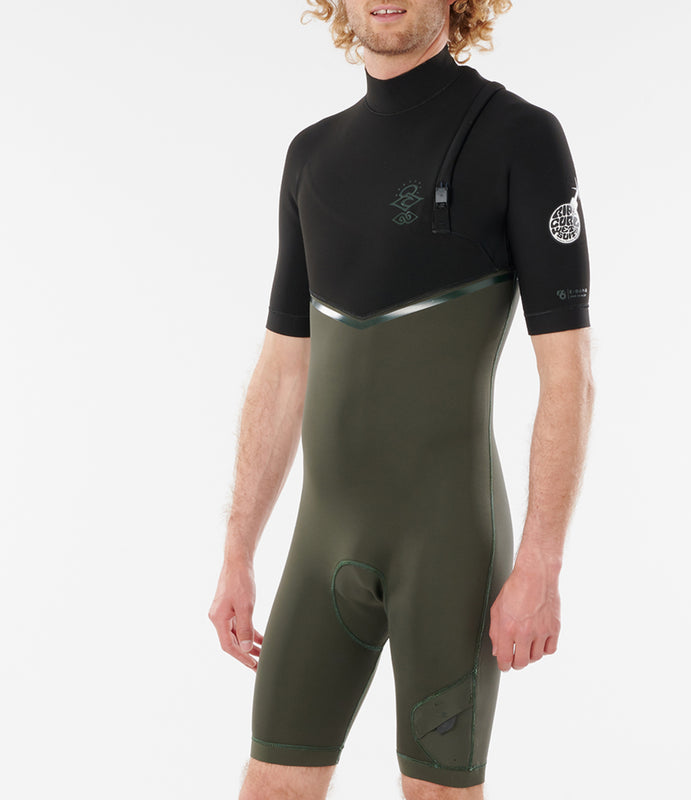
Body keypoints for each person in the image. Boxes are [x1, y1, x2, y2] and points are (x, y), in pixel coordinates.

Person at [208, 2, 594, 798]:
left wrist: (542, 562)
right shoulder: (312, 157)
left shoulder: (519, 138)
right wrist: (237, 552)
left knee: (437, 793)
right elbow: (283, 368)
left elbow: (570, 375)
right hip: (322, 548)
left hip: (449, 546)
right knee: (271, 783)